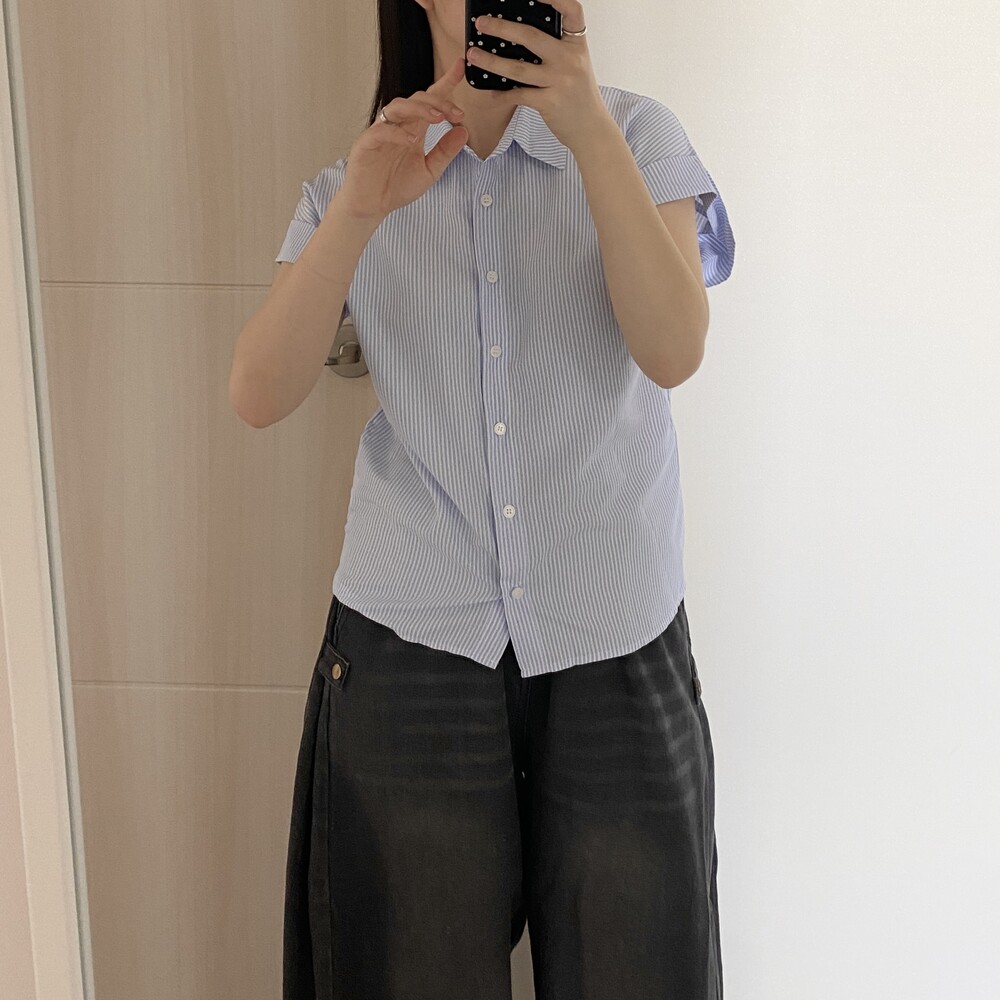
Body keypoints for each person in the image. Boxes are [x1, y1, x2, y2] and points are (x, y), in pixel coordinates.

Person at [233, 1, 736, 997]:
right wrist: (358, 211)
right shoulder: (359, 175)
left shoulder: (638, 135)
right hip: (411, 644)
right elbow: (258, 392)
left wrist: (588, 129)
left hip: (612, 637)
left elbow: (674, 349)